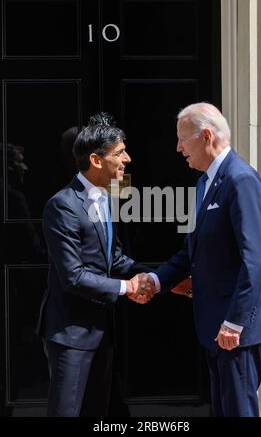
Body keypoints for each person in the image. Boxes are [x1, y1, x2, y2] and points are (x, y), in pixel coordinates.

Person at [139, 102, 261, 417]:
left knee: (237, 411)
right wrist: (156, 281)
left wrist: (235, 321)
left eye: (183, 139)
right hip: (214, 324)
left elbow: (255, 258)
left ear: (206, 136)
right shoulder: (204, 183)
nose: (178, 148)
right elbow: (191, 250)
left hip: (234, 327)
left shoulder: (240, 180)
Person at [36, 112, 155, 417]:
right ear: (96, 160)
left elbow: (114, 258)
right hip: (71, 335)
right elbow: (73, 276)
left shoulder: (105, 198)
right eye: (119, 153)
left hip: (103, 332)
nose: (127, 158)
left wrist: (158, 278)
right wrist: (127, 287)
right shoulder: (63, 205)